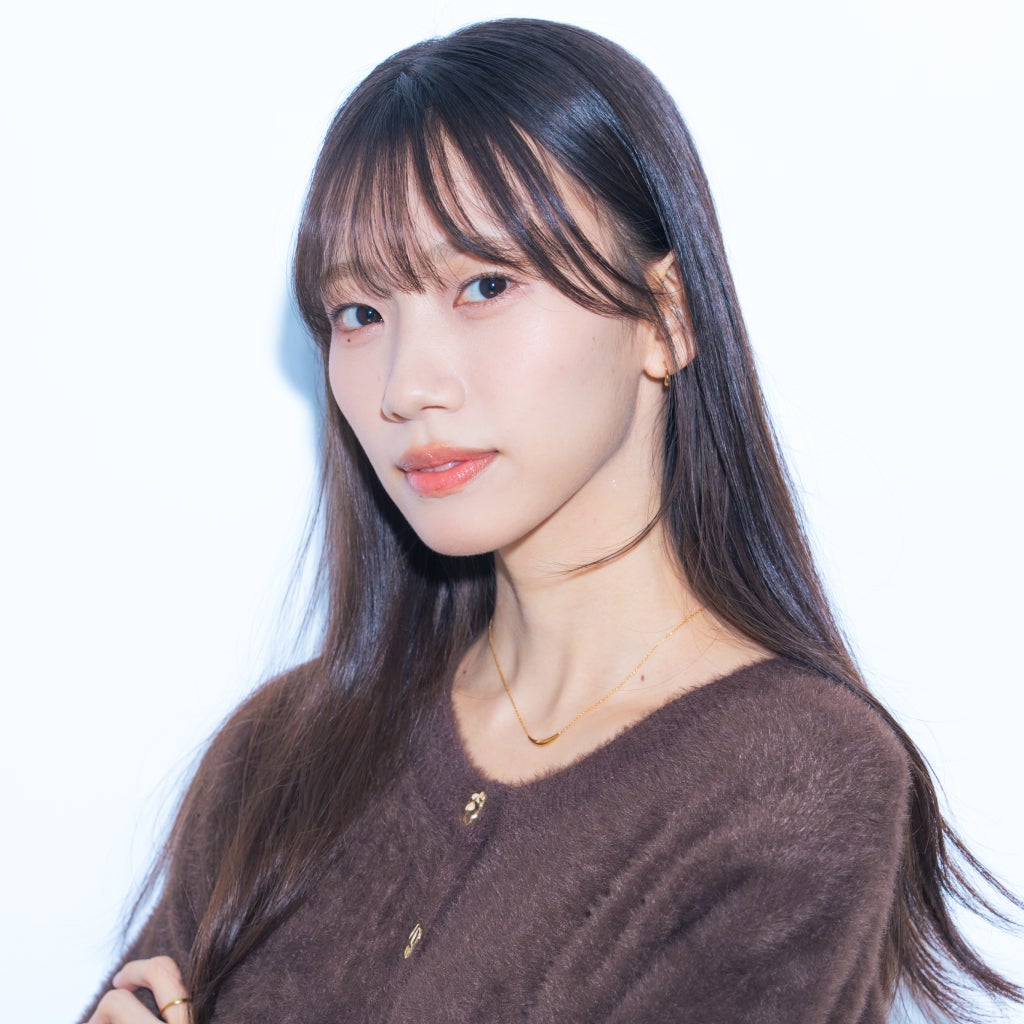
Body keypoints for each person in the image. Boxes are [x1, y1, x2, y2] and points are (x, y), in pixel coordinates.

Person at [83, 18, 1021, 1024]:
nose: (405, 386)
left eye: (484, 286)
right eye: (359, 313)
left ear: (665, 317)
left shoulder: (789, 778)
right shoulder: (284, 752)